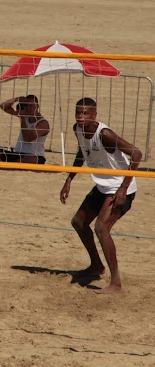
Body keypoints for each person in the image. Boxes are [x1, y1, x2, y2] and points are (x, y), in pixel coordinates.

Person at [60, 97, 142, 294]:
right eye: (78, 113)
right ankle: (96, 266)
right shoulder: (77, 129)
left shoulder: (105, 134)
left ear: (94, 115)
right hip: (102, 186)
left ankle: (116, 283)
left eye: (85, 113)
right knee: (78, 222)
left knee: (102, 228)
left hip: (121, 188)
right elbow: (81, 152)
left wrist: (123, 188)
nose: (80, 117)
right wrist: (69, 179)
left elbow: (137, 154)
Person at [0, 95, 50, 164]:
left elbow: (27, 138)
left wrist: (23, 118)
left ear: (37, 107)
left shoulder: (43, 123)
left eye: (31, 106)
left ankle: (9, 164)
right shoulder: (25, 115)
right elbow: (3, 106)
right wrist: (16, 99)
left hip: (34, 155)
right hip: (18, 154)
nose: (28, 108)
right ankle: (6, 164)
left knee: (31, 159)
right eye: (26, 105)